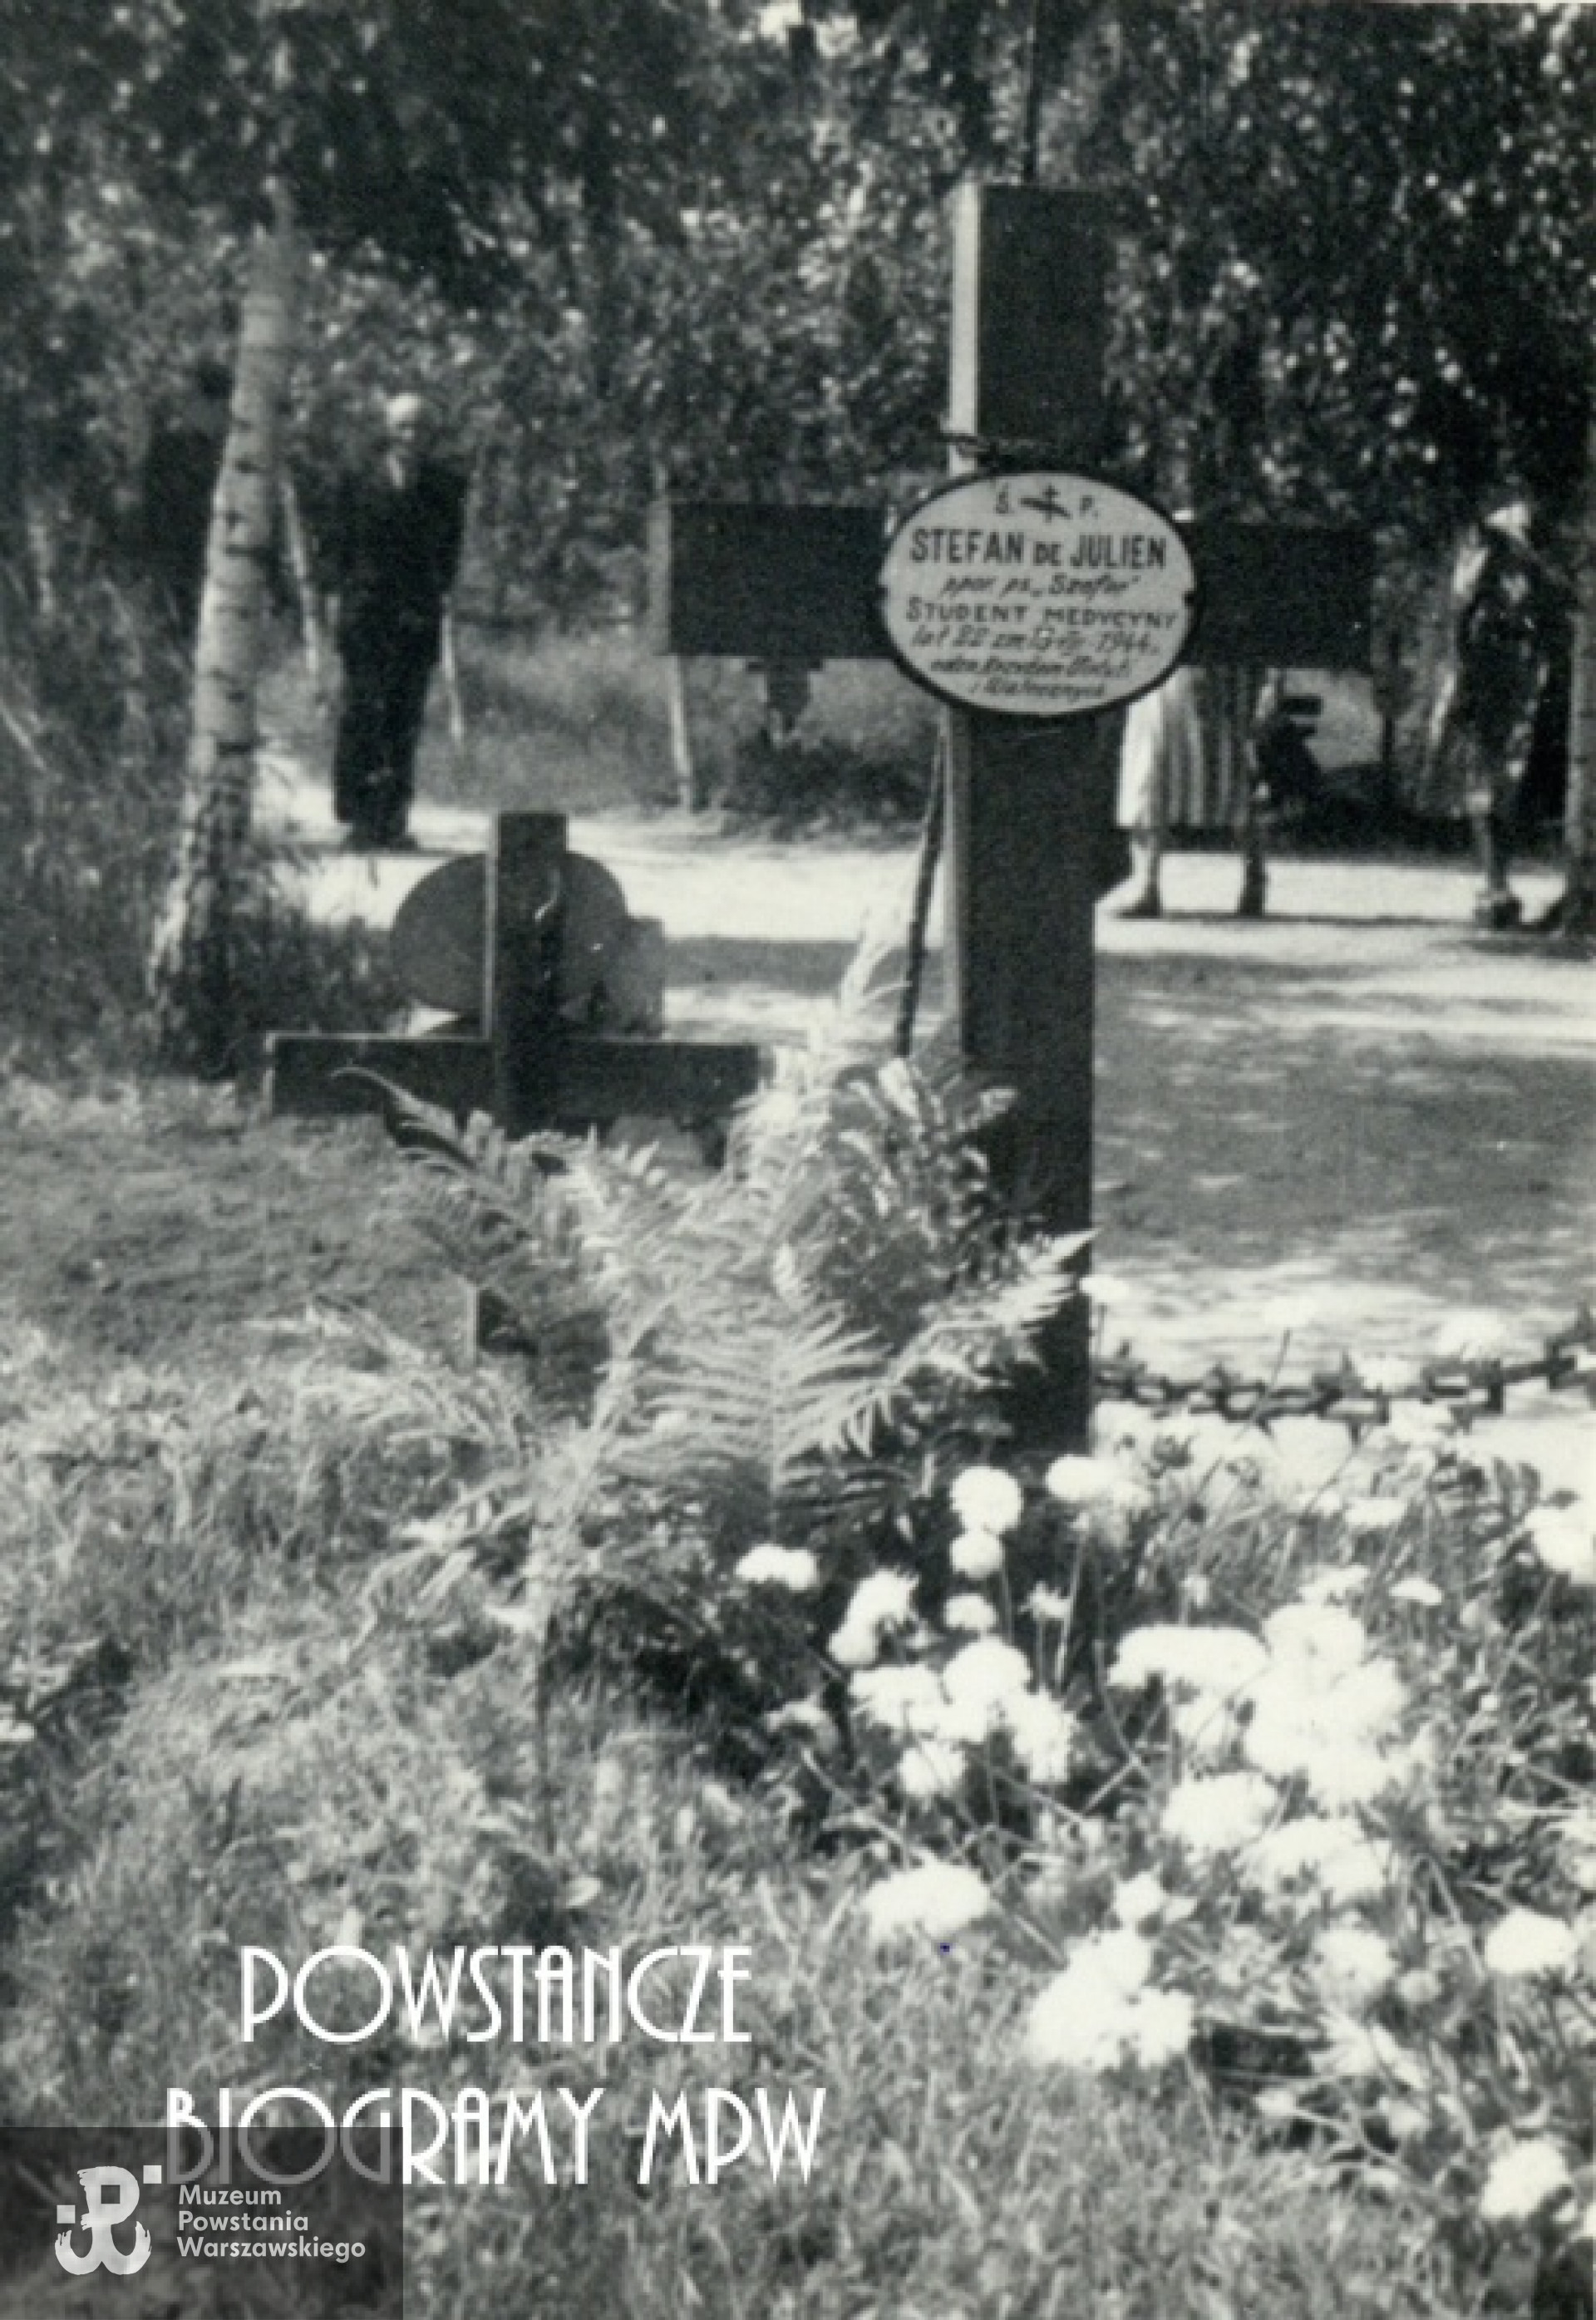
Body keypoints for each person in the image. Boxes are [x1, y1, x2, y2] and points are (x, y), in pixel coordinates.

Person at [325, 391, 468, 851]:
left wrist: (435, 598)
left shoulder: (444, 486)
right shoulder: (356, 480)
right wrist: (339, 601)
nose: (412, 437)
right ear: (387, 430)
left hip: (415, 616)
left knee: (404, 718)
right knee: (363, 711)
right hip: (366, 615)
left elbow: (449, 554)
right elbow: (338, 546)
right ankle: (359, 816)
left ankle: (393, 819)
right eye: (403, 427)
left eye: (421, 428)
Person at [1427, 493, 1557, 930]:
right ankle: (1494, 886)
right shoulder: (1489, 579)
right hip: (1495, 685)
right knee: (1491, 789)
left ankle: (1496, 885)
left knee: (1499, 788)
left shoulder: (1519, 580)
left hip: (1511, 686)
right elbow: (1463, 626)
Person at [1112, 662, 1279, 919]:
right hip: (1163, 672)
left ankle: (1254, 879)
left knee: (1237, 772)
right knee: (1149, 770)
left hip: (1227, 669)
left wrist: (1272, 683)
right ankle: (1147, 885)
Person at [137, 360, 232, 647]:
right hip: (177, 564)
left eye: (191, 399)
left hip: (218, 569)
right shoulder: (166, 450)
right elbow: (151, 510)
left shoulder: (231, 457)